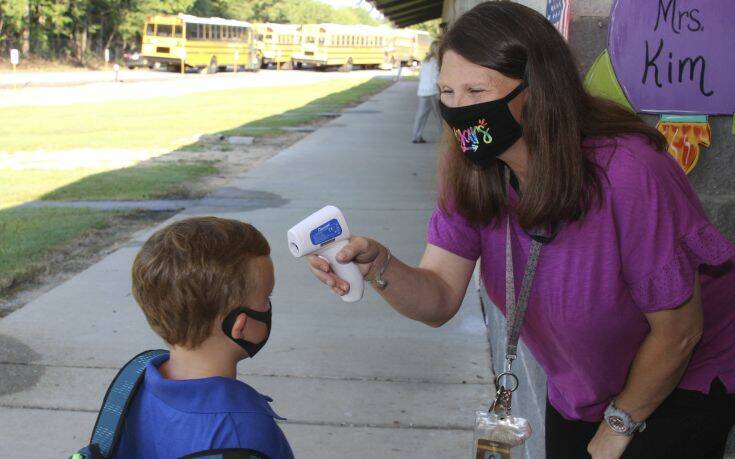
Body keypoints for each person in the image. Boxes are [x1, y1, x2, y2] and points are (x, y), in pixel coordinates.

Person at [306, 3, 735, 459]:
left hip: (679, 378)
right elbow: (438, 300)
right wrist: (380, 266)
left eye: (476, 90)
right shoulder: (471, 172)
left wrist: (619, 425)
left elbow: (679, 332)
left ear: (539, 91)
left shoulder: (631, 174)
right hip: (583, 384)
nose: (457, 110)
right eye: (447, 92)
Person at [116, 217, 294, 459]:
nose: (268, 307)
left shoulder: (133, 381)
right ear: (239, 325)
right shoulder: (240, 436)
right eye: (266, 298)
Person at [411, 41, 440, 144]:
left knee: (421, 115)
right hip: (433, 91)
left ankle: (416, 136)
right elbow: (436, 77)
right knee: (439, 116)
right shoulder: (437, 61)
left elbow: (420, 76)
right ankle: (444, 138)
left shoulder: (425, 61)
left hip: (423, 91)